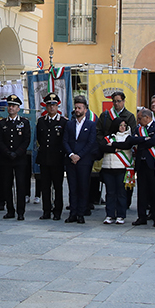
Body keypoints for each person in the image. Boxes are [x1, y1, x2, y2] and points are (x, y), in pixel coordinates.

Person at [97, 91, 137, 211]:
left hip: (124, 156)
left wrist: (120, 145)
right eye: (114, 101)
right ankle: (111, 210)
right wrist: (104, 142)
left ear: (124, 101)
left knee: (123, 185)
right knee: (111, 187)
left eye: (119, 101)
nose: (116, 103)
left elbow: (132, 135)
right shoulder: (105, 115)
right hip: (109, 153)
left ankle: (124, 206)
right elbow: (98, 132)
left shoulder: (129, 116)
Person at [62, 96, 98, 224]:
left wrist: (79, 155)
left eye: (80, 108)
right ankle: (73, 213)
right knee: (73, 188)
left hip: (84, 161)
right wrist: (71, 154)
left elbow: (91, 143)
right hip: (71, 160)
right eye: (76, 107)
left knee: (83, 187)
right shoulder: (69, 124)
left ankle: (81, 214)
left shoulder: (91, 124)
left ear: (85, 110)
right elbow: (65, 141)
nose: (77, 110)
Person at [0, 95, 31, 219]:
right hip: (5, 159)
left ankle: (20, 211)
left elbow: (26, 140)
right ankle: (10, 210)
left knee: (20, 186)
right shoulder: (2, 123)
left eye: (14, 106)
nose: (11, 108)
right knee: (6, 185)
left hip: (20, 159)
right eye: (9, 105)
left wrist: (17, 153)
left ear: (18, 108)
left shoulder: (24, 122)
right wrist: (7, 152)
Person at [131, 107, 155, 227]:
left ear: (147, 118)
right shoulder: (139, 129)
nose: (138, 121)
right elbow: (132, 139)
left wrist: (142, 141)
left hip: (153, 164)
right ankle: (141, 216)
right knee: (142, 192)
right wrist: (145, 139)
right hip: (141, 164)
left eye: (140, 118)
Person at [36, 93, 67, 220]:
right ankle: (46, 210)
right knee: (45, 186)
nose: (51, 107)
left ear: (58, 106)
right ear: (46, 107)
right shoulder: (42, 121)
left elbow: (65, 140)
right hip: (44, 158)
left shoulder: (63, 122)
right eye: (49, 105)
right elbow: (39, 138)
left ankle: (58, 210)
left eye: (54, 105)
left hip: (57, 159)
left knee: (57, 186)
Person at [99, 114, 134, 224]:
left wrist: (112, 145)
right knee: (110, 193)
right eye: (121, 125)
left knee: (121, 193)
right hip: (108, 168)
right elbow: (102, 147)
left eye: (125, 125)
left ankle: (121, 215)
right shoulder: (108, 137)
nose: (123, 127)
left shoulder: (128, 137)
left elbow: (127, 145)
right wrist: (115, 149)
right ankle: (110, 214)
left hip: (122, 168)